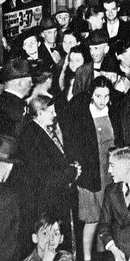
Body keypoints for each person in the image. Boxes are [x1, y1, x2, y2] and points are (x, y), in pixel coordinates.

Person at [63, 78, 122, 261]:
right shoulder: (81, 113)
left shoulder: (112, 112)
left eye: (106, 96)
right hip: (91, 172)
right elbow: (74, 146)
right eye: (98, 96)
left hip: (109, 169)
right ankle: (87, 259)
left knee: (108, 215)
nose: (102, 100)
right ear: (91, 95)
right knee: (92, 218)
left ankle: (103, 252)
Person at [13, 94, 79, 251]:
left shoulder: (41, 130)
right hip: (43, 201)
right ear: (40, 113)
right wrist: (71, 173)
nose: (55, 115)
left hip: (52, 196)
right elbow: (43, 173)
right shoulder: (31, 135)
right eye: (51, 112)